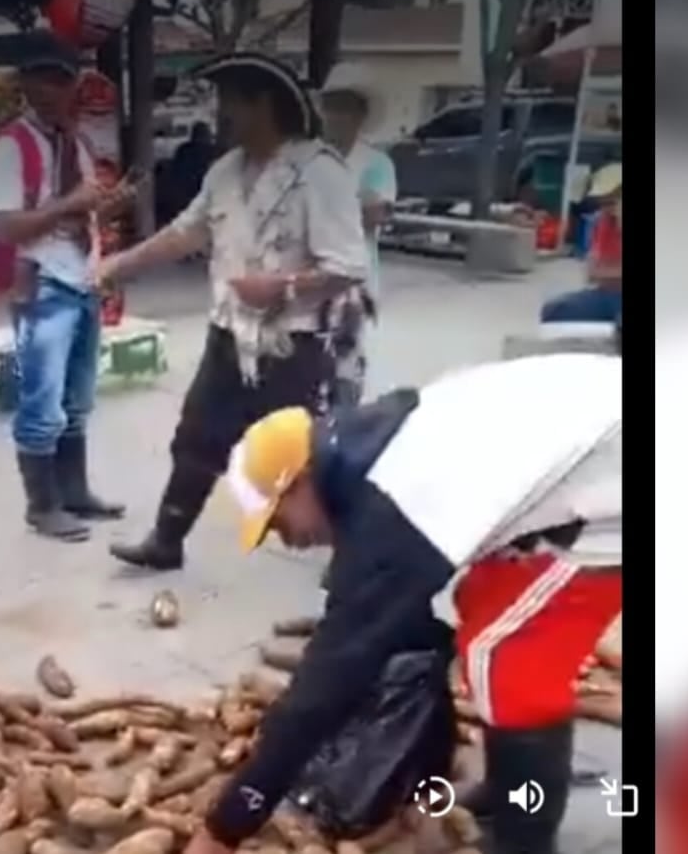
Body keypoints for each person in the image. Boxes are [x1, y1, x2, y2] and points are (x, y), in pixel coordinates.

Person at [181, 354, 622, 854]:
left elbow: (327, 682)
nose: (288, 540)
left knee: (504, 656)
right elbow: (383, 617)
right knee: (479, 597)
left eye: (279, 523)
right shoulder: (373, 445)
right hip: (595, 448)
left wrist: (225, 827)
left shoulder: (399, 504)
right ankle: (510, 793)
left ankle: (526, 841)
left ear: (300, 479)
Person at [95, 52, 368, 571]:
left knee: (312, 457)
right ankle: (166, 540)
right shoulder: (225, 171)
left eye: (231, 102)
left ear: (263, 104)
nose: (221, 114)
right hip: (229, 336)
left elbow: (348, 266)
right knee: (197, 437)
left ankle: (352, 562)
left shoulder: (320, 173)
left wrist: (281, 286)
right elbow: (183, 234)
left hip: (297, 345)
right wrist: (119, 265)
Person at [0, 32, 134, 541]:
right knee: (42, 403)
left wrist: (106, 208)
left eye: (59, 79)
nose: (48, 89)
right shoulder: (13, 146)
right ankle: (42, 506)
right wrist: (71, 204)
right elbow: (2, 227)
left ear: (74, 85)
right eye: (39, 78)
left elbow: (79, 215)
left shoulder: (76, 144)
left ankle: (74, 493)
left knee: (77, 402)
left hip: (82, 279)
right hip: (45, 284)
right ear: (23, 83)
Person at [317, 63, 398, 408]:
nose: (337, 116)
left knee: (346, 361)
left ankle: (343, 421)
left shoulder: (376, 163)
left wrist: (326, 207)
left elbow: (375, 214)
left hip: (354, 280)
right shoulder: (309, 158)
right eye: (332, 106)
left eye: (346, 107)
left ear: (361, 114)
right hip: (310, 275)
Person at [541, 164, 622, 325]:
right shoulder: (601, 222)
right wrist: (607, 272)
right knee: (553, 310)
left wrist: (605, 271)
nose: (606, 208)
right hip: (606, 294)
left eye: (612, 202)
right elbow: (592, 270)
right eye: (603, 203)